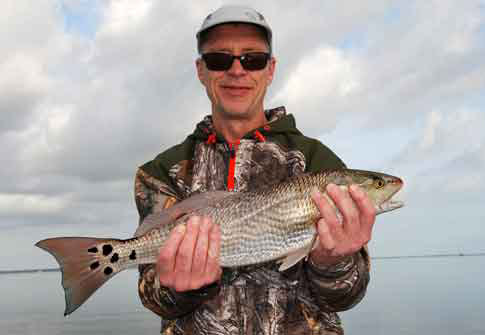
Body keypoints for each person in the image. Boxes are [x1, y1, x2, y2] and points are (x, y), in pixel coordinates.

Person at [135, 5, 374, 335]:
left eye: (253, 59)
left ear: (271, 69)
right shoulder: (162, 170)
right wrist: (181, 287)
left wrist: (332, 262)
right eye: (220, 59)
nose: (237, 70)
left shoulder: (319, 161)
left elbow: (348, 295)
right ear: (201, 70)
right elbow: (154, 296)